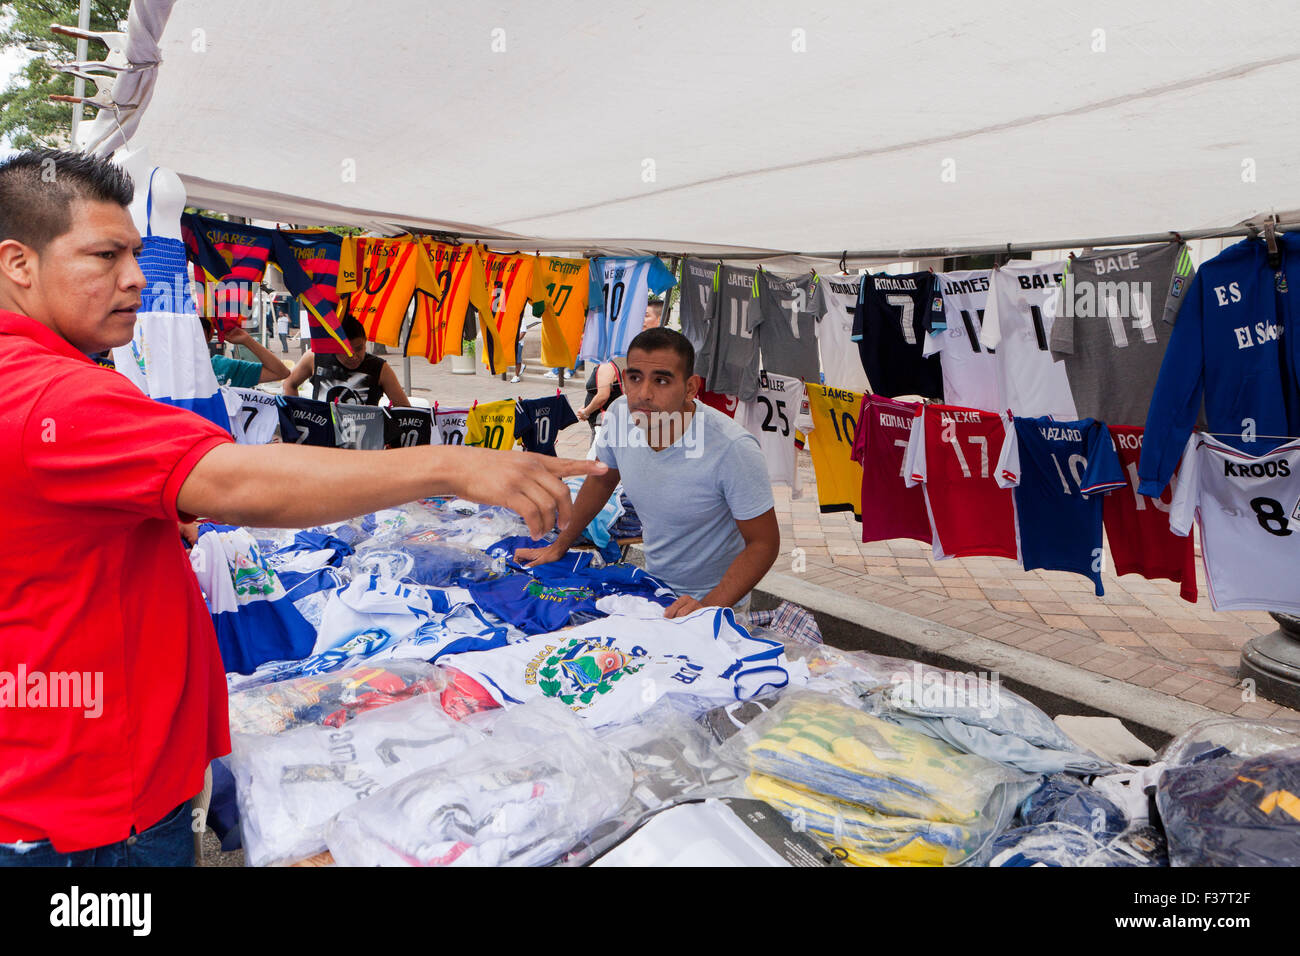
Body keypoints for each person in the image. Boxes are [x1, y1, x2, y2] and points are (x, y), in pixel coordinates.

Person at [0, 149, 604, 866]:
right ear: (19, 263)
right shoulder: (50, 393)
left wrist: (145, 520)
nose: (134, 277)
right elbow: (238, 482)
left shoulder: (42, 380)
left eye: (135, 252)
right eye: (104, 255)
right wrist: (451, 464)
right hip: (89, 813)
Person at [518, 327, 780, 619]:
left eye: (662, 380)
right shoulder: (619, 414)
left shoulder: (732, 448)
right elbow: (602, 479)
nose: (643, 394)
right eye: (634, 378)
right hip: (651, 589)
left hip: (718, 604)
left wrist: (708, 606)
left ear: (691, 388)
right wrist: (560, 544)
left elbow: (764, 543)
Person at [575, 298, 664, 436]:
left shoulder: (661, 353)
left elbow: (603, 395)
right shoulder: (630, 350)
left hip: (616, 423)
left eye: (645, 315)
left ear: (659, 320)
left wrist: (587, 412)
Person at [282, 314, 408, 406]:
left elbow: (405, 409)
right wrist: (294, 420)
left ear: (365, 341)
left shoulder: (380, 368)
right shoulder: (314, 357)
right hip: (321, 440)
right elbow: (289, 384)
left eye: (359, 348)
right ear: (333, 345)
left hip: (364, 441)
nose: (353, 356)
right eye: (345, 350)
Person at [200, 317, 291, 388]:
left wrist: (246, 340)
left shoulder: (223, 367)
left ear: (209, 336)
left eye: (197, 332)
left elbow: (281, 373)